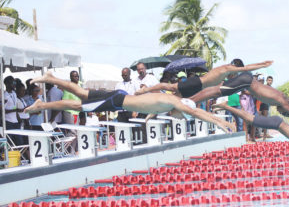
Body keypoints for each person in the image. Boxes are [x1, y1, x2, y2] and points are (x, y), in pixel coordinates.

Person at [26, 72, 235, 134]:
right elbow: (197, 112)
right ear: (184, 108)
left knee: (81, 93)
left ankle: (51, 79)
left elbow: (153, 109)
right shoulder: (177, 105)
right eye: (184, 116)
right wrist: (218, 121)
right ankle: (42, 105)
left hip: (119, 98)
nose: (180, 119)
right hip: (118, 101)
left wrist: (147, 118)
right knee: (78, 105)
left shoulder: (170, 103)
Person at [188, 59, 289, 135]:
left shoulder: (285, 98)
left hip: (247, 81)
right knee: (217, 91)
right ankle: (190, 101)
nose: (280, 112)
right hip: (246, 82)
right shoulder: (283, 102)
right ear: (285, 110)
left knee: (218, 89)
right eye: (283, 112)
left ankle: (191, 99)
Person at [212, 102, 289, 155]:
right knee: (250, 119)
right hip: (277, 123)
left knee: (250, 119)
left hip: (277, 123)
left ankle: (225, 109)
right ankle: (226, 106)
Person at [134, 59, 273, 98]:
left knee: (174, 99)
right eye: (235, 72)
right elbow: (246, 68)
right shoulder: (227, 68)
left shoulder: (226, 72)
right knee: (169, 87)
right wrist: (262, 64)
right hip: (197, 83)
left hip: (198, 87)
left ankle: (150, 113)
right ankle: (146, 90)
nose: (234, 76)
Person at [3, 76, 22, 145]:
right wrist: (15, 110)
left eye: (15, 82)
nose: (15, 84)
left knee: (19, 142)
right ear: (7, 84)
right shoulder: (4, 95)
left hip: (16, 121)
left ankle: (20, 155)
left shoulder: (14, 93)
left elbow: (13, 107)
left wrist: (18, 115)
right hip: (8, 122)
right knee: (9, 142)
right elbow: (2, 111)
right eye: (13, 82)